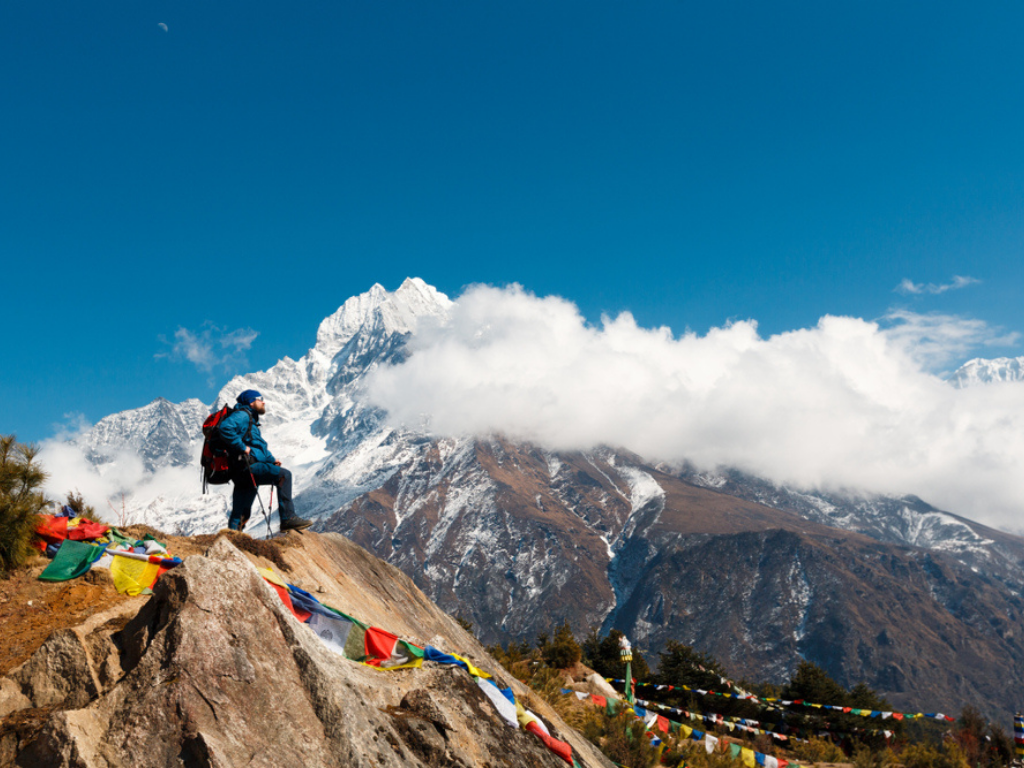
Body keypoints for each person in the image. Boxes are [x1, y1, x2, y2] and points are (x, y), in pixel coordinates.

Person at [220, 389, 313, 533]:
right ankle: (288, 518)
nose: (263, 402)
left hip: (239, 469)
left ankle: (232, 537)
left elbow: (257, 447)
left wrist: (271, 459)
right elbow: (225, 428)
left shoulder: (249, 419)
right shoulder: (243, 415)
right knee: (284, 475)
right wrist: (242, 447)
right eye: (260, 399)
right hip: (248, 467)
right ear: (251, 402)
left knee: (241, 511)